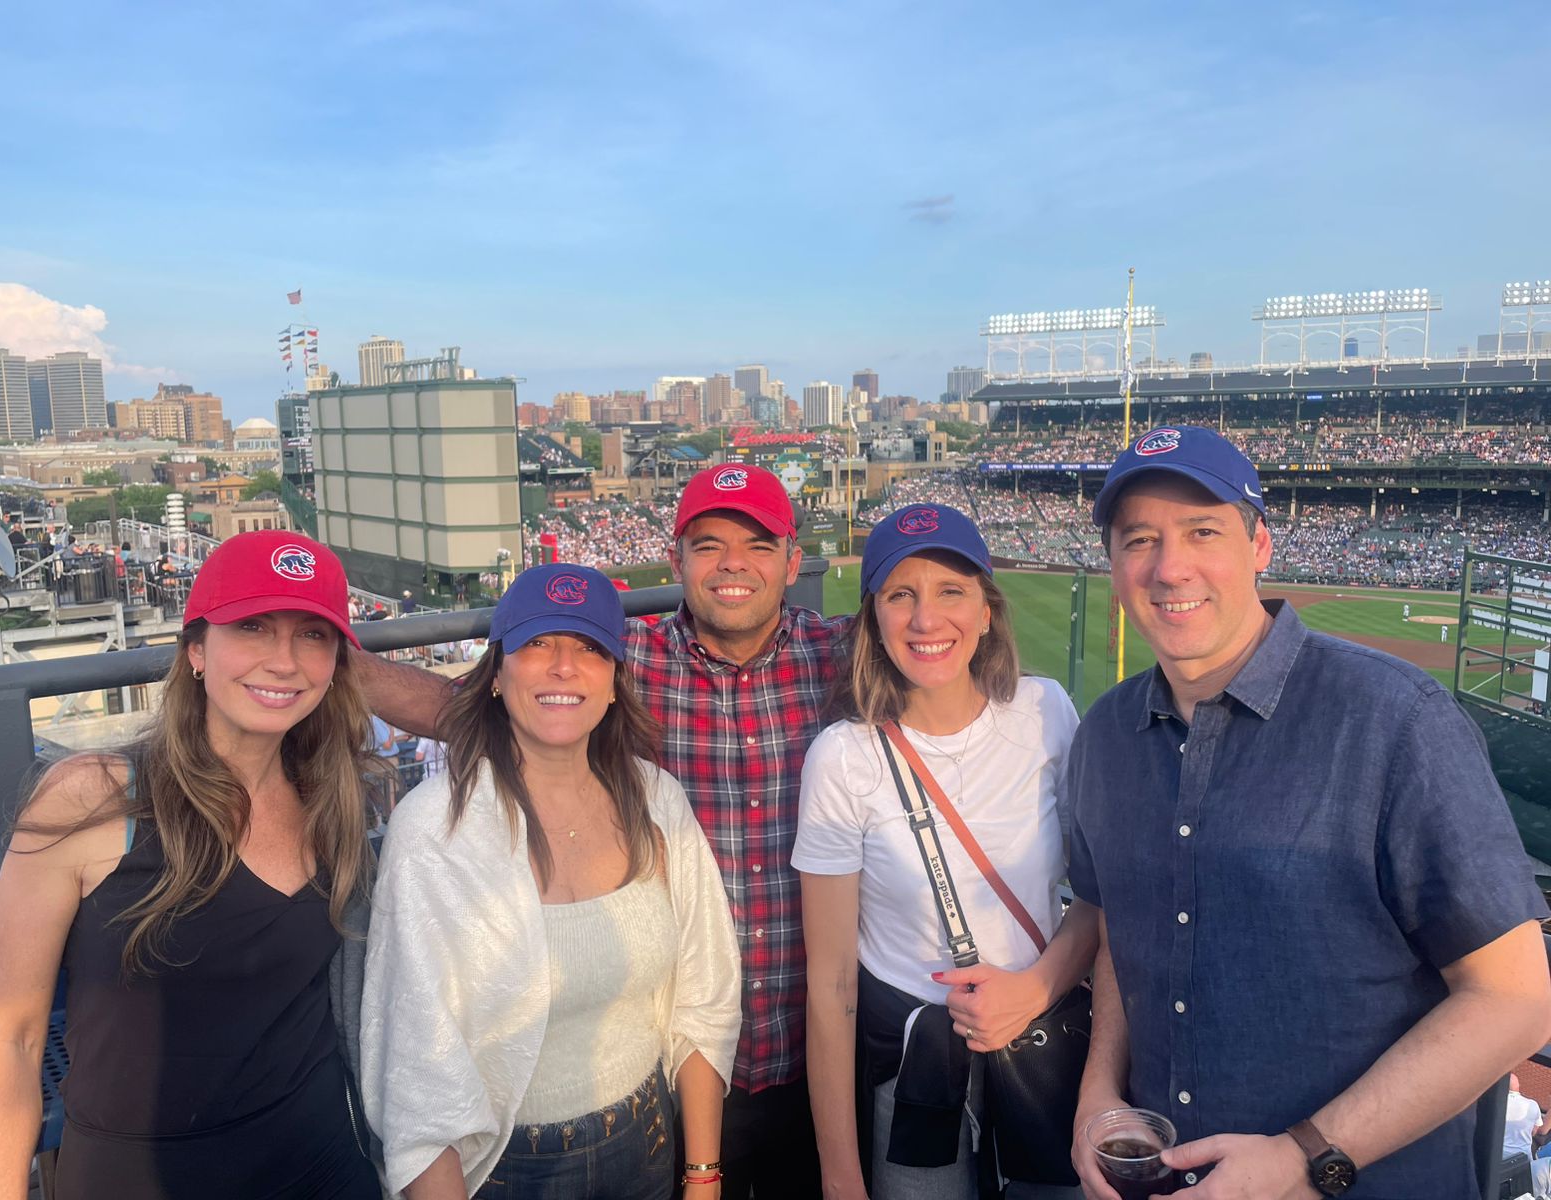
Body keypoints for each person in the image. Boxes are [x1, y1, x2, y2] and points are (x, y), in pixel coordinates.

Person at [1066, 426, 1551, 1200]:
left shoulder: (1396, 718)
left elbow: (1517, 1000)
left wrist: (1307, 1156)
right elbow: (1124, 932)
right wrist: (1101, 1092)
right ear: (1114, 564)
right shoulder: (1104, 736)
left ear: (1260, 543)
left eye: (1202, 531)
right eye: (1139, 540)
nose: (1169, 567)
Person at [359, 464, 851, 1199]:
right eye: (709, 544)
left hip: (816, 1055)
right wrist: (318, 659)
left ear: (792, 560)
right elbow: (465, 708)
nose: (733, 565)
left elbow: (939, 669)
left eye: (757, 543)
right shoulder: (626, 658)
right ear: (676, 558)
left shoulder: (843, 660)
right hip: (673, 1076)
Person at [0, 530, 382, 1200]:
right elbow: (14, 1035)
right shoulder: (96, 797)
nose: (284, 661)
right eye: (252, 627)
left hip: (322, 1166)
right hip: (138, 1178)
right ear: (195, 649)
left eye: (313, 634)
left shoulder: (331, 800)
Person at [359, 563, 740, 1199]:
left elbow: (705, 994)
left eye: (590, 648)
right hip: (505, 1169)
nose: (564, 666)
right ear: (496, 676)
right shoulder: (435, 827)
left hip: (649, 1143)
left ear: (616, 682)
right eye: (537, 643)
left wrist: (703, 1177)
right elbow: (418, 1075)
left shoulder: (656, 801)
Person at [795, 504, 1097, 1200]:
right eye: (901, 594)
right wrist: (840, 1173)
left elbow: (1095, 900)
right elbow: (833, 982)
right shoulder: (842, 758)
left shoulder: (1046, 714)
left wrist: (1034, 988)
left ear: (987, 610)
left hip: (1045, 1039)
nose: (926, 620)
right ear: (873, 618)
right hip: (914, 1064)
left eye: (951, 590)